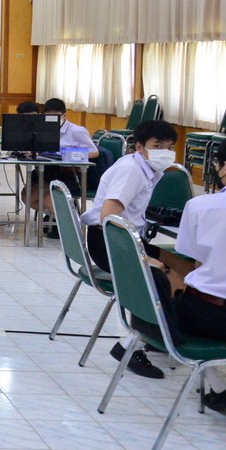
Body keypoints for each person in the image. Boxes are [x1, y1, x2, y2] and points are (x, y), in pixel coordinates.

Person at [78, 119, 178, 379]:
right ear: (140, 147)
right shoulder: (132, 170)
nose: (165, 152)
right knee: (164, 276)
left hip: (123, 240)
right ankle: (132, 345)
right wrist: (141, 258)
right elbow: (109, 217)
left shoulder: (145, 168)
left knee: (181, 269)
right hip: (111, 243)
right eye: (158, 146)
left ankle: (156, 335)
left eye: (170, 147)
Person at [171, 134, 226, 429]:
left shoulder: (199, 206)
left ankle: (219, 387)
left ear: (225, 167)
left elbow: (193, 260)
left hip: (199, 316)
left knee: (174, 304)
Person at [30, 98, 99, 237]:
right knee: (28, 196)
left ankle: (68, 228)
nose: (52, 121)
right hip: (49, 172)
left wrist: (72, 155)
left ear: (64, 115)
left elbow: (94, 152)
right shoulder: (43, 131)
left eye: (56, 117)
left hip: (71, 175)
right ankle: (55, 217)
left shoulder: (77, 131)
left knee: (50, 198)